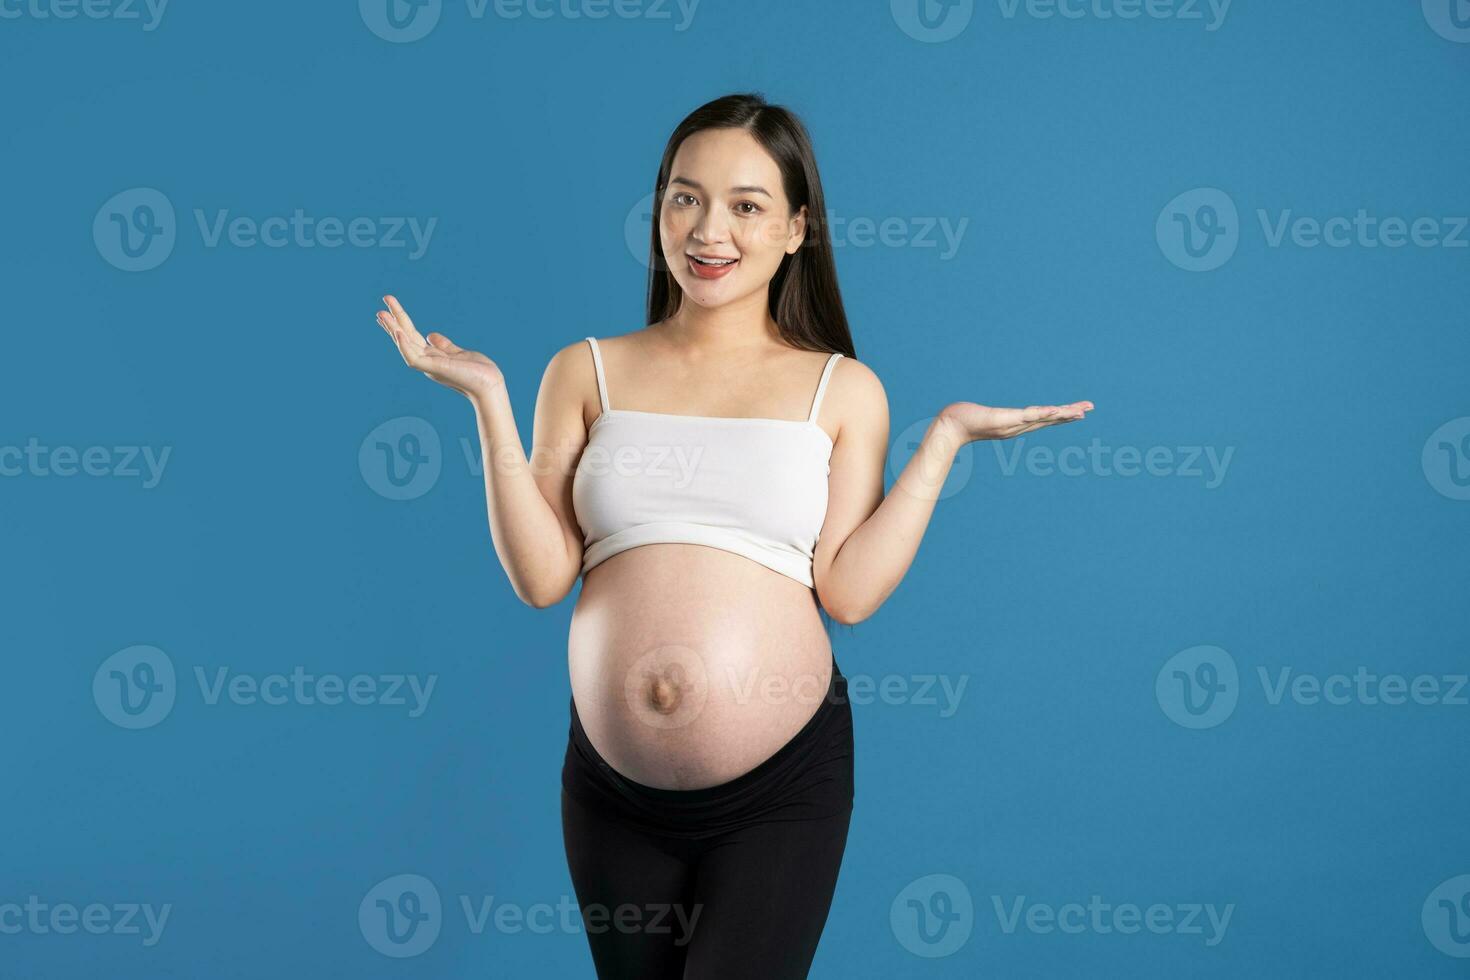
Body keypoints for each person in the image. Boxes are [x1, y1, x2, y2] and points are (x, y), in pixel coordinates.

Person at [374, 92, 1092, 979]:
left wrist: (943, 438)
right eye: (685, 197)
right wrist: (489, 401)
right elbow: (542, 577)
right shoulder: (584, 369)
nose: (709, 230)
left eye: (747, 206)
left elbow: (849, 594)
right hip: (610, 793)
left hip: (781, 790)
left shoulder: (842, 389)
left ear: (797, 228)